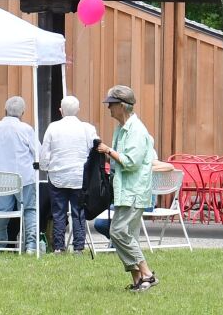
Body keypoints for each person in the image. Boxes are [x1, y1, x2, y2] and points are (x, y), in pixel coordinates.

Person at [96, 85, 157, 291]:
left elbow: (131, 162)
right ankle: (137, 280)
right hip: (124, 190)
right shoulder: (121, 128)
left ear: (122, 106)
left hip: (134, 191)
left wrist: (108, 150)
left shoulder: (137, 130)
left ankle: (147, 273)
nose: (108, 108)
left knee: (119, 232)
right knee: (128, 234)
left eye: (111, 104)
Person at [39, 95, 98, 253]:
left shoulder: (53, 127)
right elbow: (95, 150)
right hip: (79, 177)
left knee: (58, 212)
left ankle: (58, 247)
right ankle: (79, 247)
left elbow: (45, 152)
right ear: (78, 110)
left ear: (61, 110)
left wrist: (45, 167)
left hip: (57, 176)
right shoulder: (88, 128)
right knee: (78, 212)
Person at [0, 96, 39, 253]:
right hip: (24, 179)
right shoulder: (27, 129)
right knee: (29, 210)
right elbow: (38, 154)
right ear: (23, 113)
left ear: (5, 110)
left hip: (1, 179)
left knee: (1, 212)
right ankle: (31, 246)